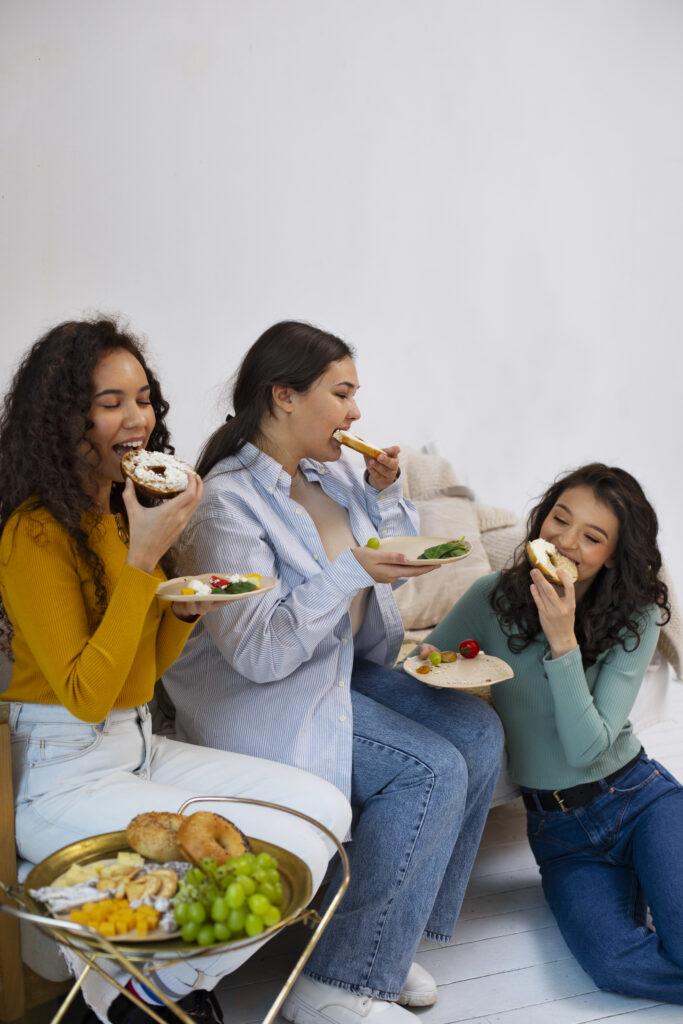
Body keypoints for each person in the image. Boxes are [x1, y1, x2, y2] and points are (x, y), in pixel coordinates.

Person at [0, 318, 351, 1024]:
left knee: (324, 812)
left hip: (138, 746)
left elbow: (141, 678)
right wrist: (142, 565)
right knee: (255, 848)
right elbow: (87, 694)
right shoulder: (33, 532)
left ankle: (140, 984)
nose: (138, 418)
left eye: (143, 398)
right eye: (110, 402)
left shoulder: (133, 517)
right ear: (65, 416)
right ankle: (150, 989)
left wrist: (180, 609)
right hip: (63, 770)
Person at [163, 320, 505, 1024]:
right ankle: (336, 983)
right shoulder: (227, 502)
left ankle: (385, 935)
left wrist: (380, 494)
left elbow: (379, 557)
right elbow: (259, 652)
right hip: (265, 698)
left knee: (476, 732)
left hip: (337, 670)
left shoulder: (327, 472)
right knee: (429, 768)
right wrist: (350, 567)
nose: (354, 413)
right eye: (341, 393)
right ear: (284, 396)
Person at [416, 463, 683, 1004]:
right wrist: (438, 667)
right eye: (560, 520)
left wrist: (564, 640)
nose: (566, 542)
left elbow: (589, 746)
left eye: (593, 537)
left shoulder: (638, 614)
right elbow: (429, 658)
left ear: (613, 555)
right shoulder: (492, 596)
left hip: (638, 800)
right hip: (560, 836)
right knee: (614, 967)